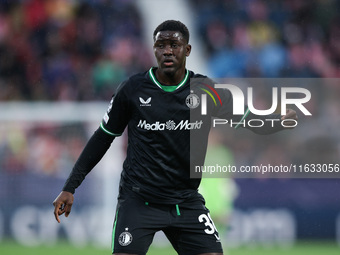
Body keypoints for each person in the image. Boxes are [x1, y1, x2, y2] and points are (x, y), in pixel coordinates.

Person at [53, 20, 297, 255]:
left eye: (175, 45)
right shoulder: (133, 90)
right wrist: (70, 186)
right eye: (161, 45)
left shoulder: (205, 90)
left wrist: (277, 121)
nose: (167, 51)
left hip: (185, 201)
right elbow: (102, 138)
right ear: (154, 50)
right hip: (139, 201)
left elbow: (248, 119)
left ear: (187, 50)